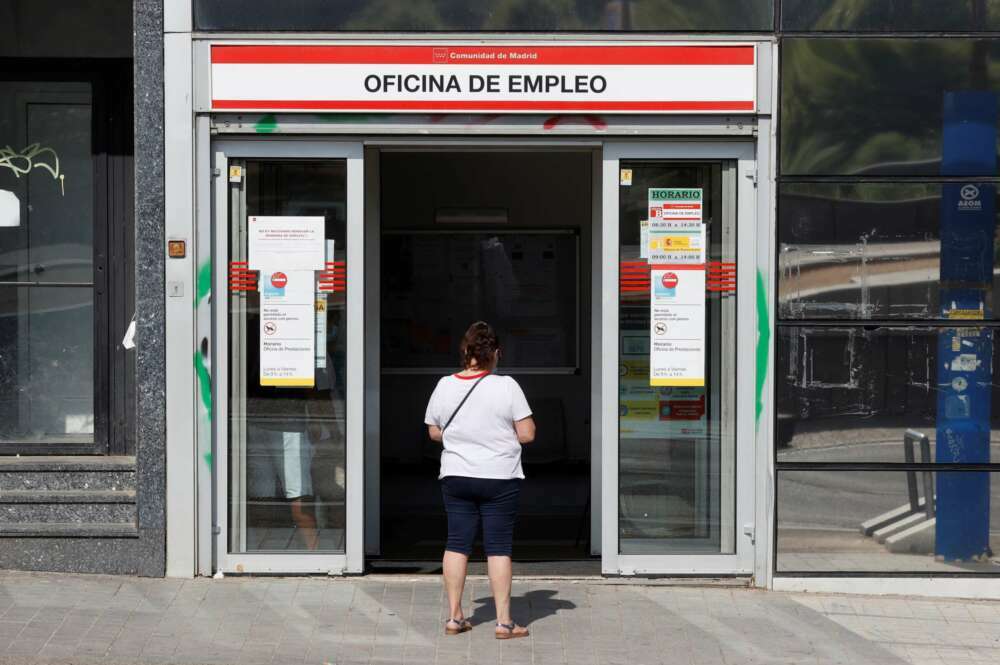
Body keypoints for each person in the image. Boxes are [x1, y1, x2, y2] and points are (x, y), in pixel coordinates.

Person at [424, 321, 536, 639]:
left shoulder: (445, 385)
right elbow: (526, 434)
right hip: (499, 477)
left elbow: (434, 431)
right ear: (495, 354)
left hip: (457, 475)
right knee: (498, 547)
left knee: (457, 543)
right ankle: (504, 623)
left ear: (465, 352)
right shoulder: (507, 386)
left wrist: (463, 436)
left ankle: (455, 617)